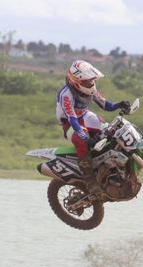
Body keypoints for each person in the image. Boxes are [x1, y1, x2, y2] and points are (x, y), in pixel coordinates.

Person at [56, 60, 130, 198]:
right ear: (75, 80)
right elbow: (72, 118)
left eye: (91, 80)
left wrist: (119, 104)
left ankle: (113, 167)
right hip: (69, 123)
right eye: (86, 81)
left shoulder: (91, 88)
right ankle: (90, 181)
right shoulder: (65, 94)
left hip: (85, 115)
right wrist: (82, 134)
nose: (90, 84)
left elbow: (105, 105)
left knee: (111, 130)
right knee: (81, 139)